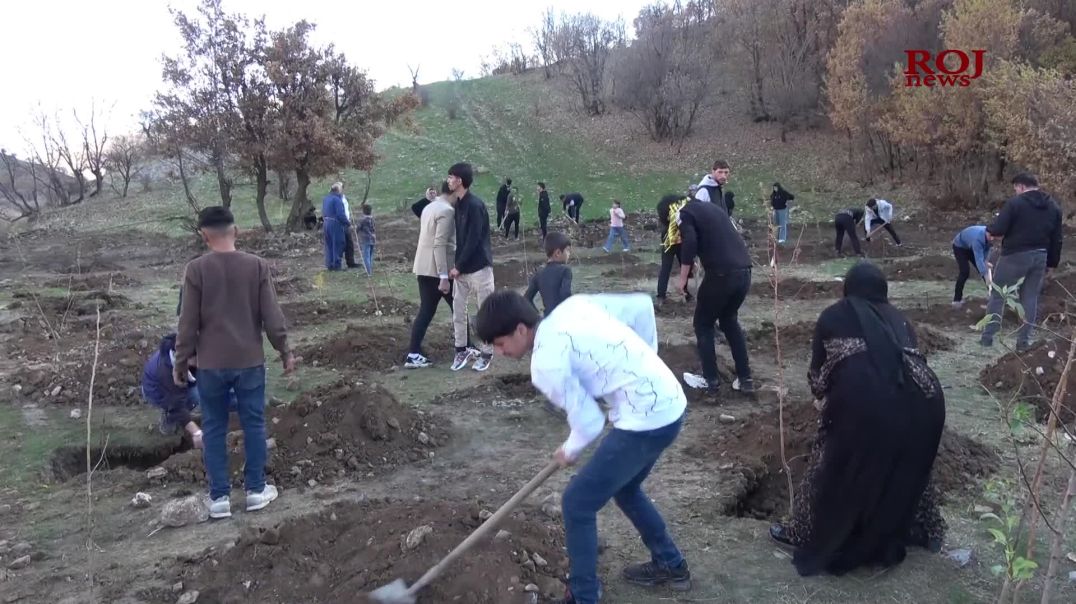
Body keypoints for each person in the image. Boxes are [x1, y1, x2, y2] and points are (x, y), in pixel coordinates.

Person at [475, 291, 691, 604]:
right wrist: (648, 364)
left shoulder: (546, 363)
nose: (499, 352)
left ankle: (583, 595)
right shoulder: (572, 307)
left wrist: (570, 448)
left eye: (499, 343)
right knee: (626, 489)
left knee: (577, 502)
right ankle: (670, 564)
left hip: (647, 420)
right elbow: (642, 306)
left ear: (520, 329)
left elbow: (590, 421)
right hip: (670, 402)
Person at [769, 262, 947, 577]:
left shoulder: (833, 315)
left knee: (833, 468)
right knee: (907, 467)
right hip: (927, 401)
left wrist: (825, 401)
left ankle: (806, 533)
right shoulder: (901, 319)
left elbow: (818, 377)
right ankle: (920, 527)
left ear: (847, 288)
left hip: (865, 403)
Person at [175, 206, 295, 519]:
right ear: (236, 231)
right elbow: (272, 315)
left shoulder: (196, 269)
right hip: (249, 362)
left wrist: (180, 362)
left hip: (210, 366)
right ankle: (256, 490)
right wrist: (284, 350)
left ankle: (219, 499)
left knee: (213, 428)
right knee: (253, 422)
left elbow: (186, 322)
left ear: (204, 236)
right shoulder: (256, 266)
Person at [677, 195, 755, 395]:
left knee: (703, 324)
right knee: (729, 320)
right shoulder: (714, 210)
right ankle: (745, 379)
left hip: (721, 274)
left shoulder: (685, 213)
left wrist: (683, 278)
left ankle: (710, 381)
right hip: (744, 271)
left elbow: (690, 241)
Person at [981, 172, 1063, 350]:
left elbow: (1000, 228)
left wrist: (990, 230)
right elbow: (1057, 239)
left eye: (1016, 188)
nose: (1016, 192)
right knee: (1030, 298)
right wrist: (1052, 263)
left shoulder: (1015, 204)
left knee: (998, 296)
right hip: (1040, 256)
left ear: (1021, 186)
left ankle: (988, 337)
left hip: (1014, 256)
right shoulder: (1054, 207)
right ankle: (1023, 342)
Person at [447, 162, 496, 372]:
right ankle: (461, 350)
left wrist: (459, 265)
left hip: (479, 269)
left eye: (450, 177)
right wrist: (457, 266)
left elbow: (474, 239)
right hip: (462, 270)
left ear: (459, 180)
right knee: (458, 310)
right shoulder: (458, 204)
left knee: (484, 312)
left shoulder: (476, 205)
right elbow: (460, 239)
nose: (448, 180)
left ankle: (487, 353)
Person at [142, 332, 204, 447]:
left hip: (176, 384)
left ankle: (185, 416)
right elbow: (176, 405)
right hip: (157, 393)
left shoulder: (181, 351)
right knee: (191, 399)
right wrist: (197, 432)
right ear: (187, 357)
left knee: (199, 393)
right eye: (198, 359)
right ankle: (168, 420)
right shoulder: (166, 372)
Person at [655, 194, 693, 304]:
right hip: (678, 237)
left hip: (669, 237)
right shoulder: (681, 212)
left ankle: (661, 295)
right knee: (684, 265)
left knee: (666, 267)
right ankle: (684, 292)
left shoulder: (666, 212)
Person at [525, 231, 573, 316]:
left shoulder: (539, 274)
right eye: (568, 250)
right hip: (563, 318)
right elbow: (565, 294)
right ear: (558, 253)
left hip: (548, 319)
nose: (569, 254)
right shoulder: (565, 271)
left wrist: (537, 317)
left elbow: (526, 299)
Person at [952, 225, 992, 308]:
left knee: (985, 269)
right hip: (960, 247)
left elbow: (986, 250)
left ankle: (992, 297)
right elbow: (978, 259)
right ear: (986, 233)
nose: (992, 238)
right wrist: (985, 274)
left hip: (972, 246)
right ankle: (956, 300)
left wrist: (986, 261)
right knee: (965, 272)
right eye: (990, 236)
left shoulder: (992, 237)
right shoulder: (978, 239)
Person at [321, 182, 350, 270]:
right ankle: (336, 265)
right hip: (335, 223)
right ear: (338, 190)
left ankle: (330, 265)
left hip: (326, 222)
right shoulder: (337, 200)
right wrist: (347, 223)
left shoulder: (326, 198)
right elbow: (340, 214)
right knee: (338, 243)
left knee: (329, 244)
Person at [341, 188, 361, 269]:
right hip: (342, 224)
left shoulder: (344, 198)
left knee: (349, 244)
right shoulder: (337, 199)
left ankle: (351, 262)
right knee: (343, 243)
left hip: (346, 222)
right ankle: (338, 264)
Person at [358, 204, 376, 275]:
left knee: (366, 257)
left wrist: (355, 230)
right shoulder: (372, 220)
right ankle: (369, 270)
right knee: (370, 256)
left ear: (363, 211)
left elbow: (358, 228)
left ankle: (368, 272)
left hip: (366, 240)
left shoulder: (363, 220)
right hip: (373, 239)